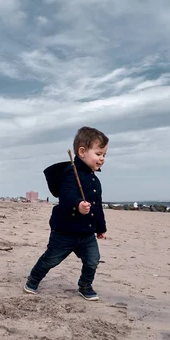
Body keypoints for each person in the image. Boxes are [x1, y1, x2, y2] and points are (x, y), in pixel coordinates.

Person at [24, 126, 109, 301]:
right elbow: (67, 195)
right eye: (99, 154)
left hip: (86, 233)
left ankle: (85, 285)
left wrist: (100, 227)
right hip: (65, 232)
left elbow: (97, 206)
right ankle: (33, 279)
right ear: (82, 152)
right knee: (51, 259)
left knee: (93, 260)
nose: (102, 159)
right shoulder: (71, 173)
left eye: (104, 155)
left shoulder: (95, 180)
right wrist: (77, 205)